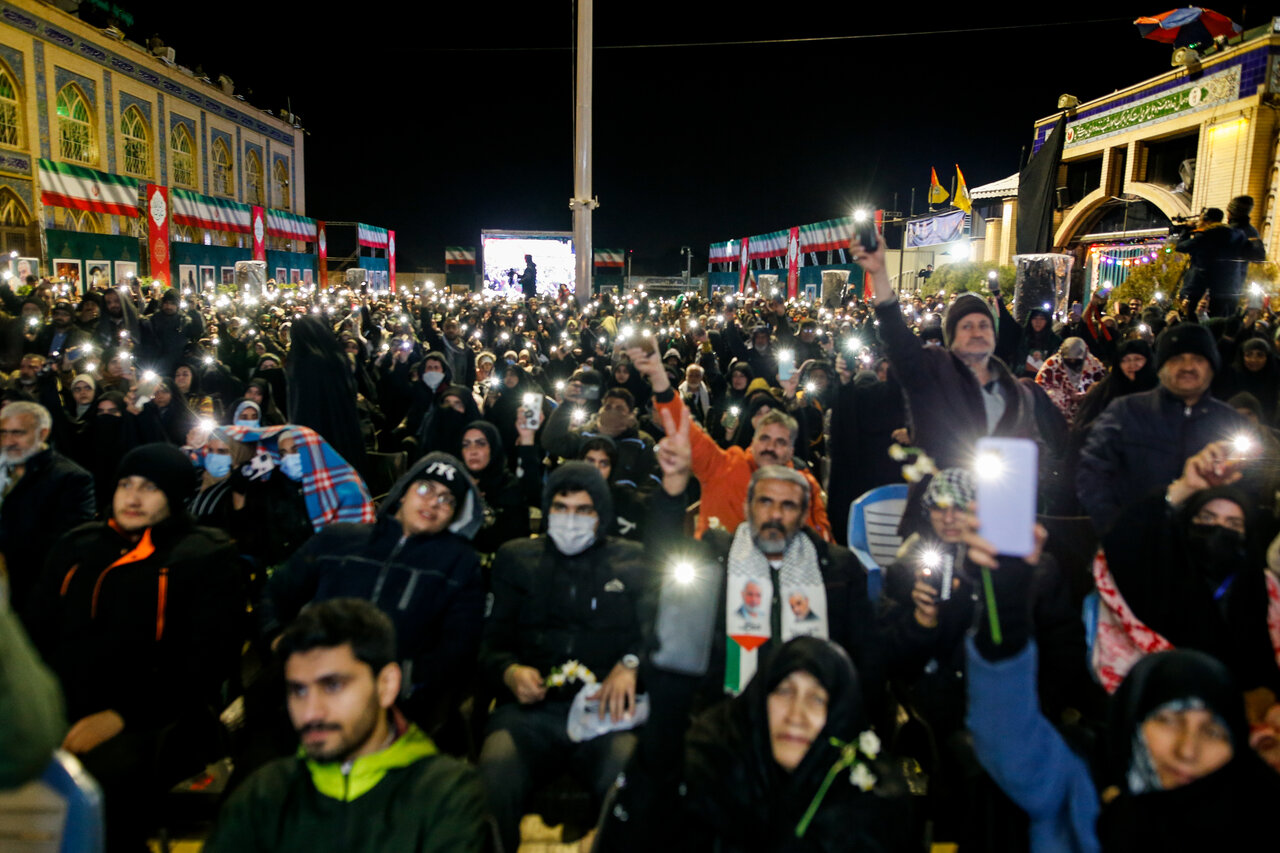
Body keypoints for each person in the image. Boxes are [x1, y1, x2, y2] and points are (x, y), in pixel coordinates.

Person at [966, 511, 1280, 852]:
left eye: (1213, 731)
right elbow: (1004, 727)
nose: (1187, 750)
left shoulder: (1257, 816)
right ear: (1133, 721)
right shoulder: (1075, 794)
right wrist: (1006, 598)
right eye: (1168, 721)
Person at [25, 443, 244, 852]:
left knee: (96, 785)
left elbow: (205, 662)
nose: (133, 496)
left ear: (175, 495)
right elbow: (36, 632)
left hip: (161, 718)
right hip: (61, 705)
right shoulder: (79, 546)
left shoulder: (202, 554)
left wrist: (120, 716)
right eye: (126, 483)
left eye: (150, 487)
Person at [202, 599, 491, 853]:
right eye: (298, 691)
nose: (311, 712)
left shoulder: (447, 796)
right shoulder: (264, 793)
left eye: (333, 686)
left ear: (386, 685)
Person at [594, 637, 911, 852]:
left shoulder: (871, 797)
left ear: (839, 714)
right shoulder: (711, 765)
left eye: (817, 699)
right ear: (760, 699)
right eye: (785, 692)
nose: (796, 716)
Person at [477, 461, 650, 853]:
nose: (571, 519)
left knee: (630, 782)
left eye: (583, 510)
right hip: (530, 715)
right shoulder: (517, 560)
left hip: (605, 713)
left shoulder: (633, 562)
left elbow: (656, 636)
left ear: (601, 514)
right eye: (561, 507)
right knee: (493, 780)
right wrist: (509, 672)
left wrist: (631, 666)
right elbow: (490, 645)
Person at [262, 452, 484, 730]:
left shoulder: (458, 565)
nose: (433, 502)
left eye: (447, 499)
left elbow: (459, 645)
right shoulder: (339, 539)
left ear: (453, 515)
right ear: (404, 493)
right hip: (308, 680)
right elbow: (277, 591)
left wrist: (406, 680)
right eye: (425, 488)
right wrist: (277, 638)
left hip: (389, 702)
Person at [851, 231, 1040, 474]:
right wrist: (879, 273)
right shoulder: (933, 370)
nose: (976, 332)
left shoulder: (1015, 390)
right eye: (966, 326)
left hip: (997, 504)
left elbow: (1033, 445)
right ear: (951, 336)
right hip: (940, 501)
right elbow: (897, 339)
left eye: (983, 325)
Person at [634, 344, 832, 540]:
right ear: (752, 438)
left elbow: (822, 542)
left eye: (780, 441)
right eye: (764, 438)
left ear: (790, 449)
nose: (771, 447)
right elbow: (689, 432)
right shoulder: (726, 466)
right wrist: (658, 377)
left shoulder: (804, 483)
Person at [1077, 323, 1244, 532]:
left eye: (1198, 360)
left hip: (1203, 547)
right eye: (1177, 359)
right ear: (1161, 367)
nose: (1188, 367)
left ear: (1212, 367)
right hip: (1136, 539)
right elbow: (1092, 475)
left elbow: (1249, 486)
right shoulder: (1126, 412)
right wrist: (1116, 529)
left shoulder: (1230, 422)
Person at [0, 401, 95, 614]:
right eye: (3, 433)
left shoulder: (71, 478)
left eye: (17, 433)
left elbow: (69, 542)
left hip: (29, 592)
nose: (8, 441)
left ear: (42, 433)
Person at [1176, 208, 1243, 318]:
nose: (1198, 223)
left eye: (1200, 220)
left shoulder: (1205, 236)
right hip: (1225, 289)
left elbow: (1181, 247)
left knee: (1192, 319)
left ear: (1207, 221)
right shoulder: (1233, 236)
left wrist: (1186, 231)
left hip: (1199, 287)